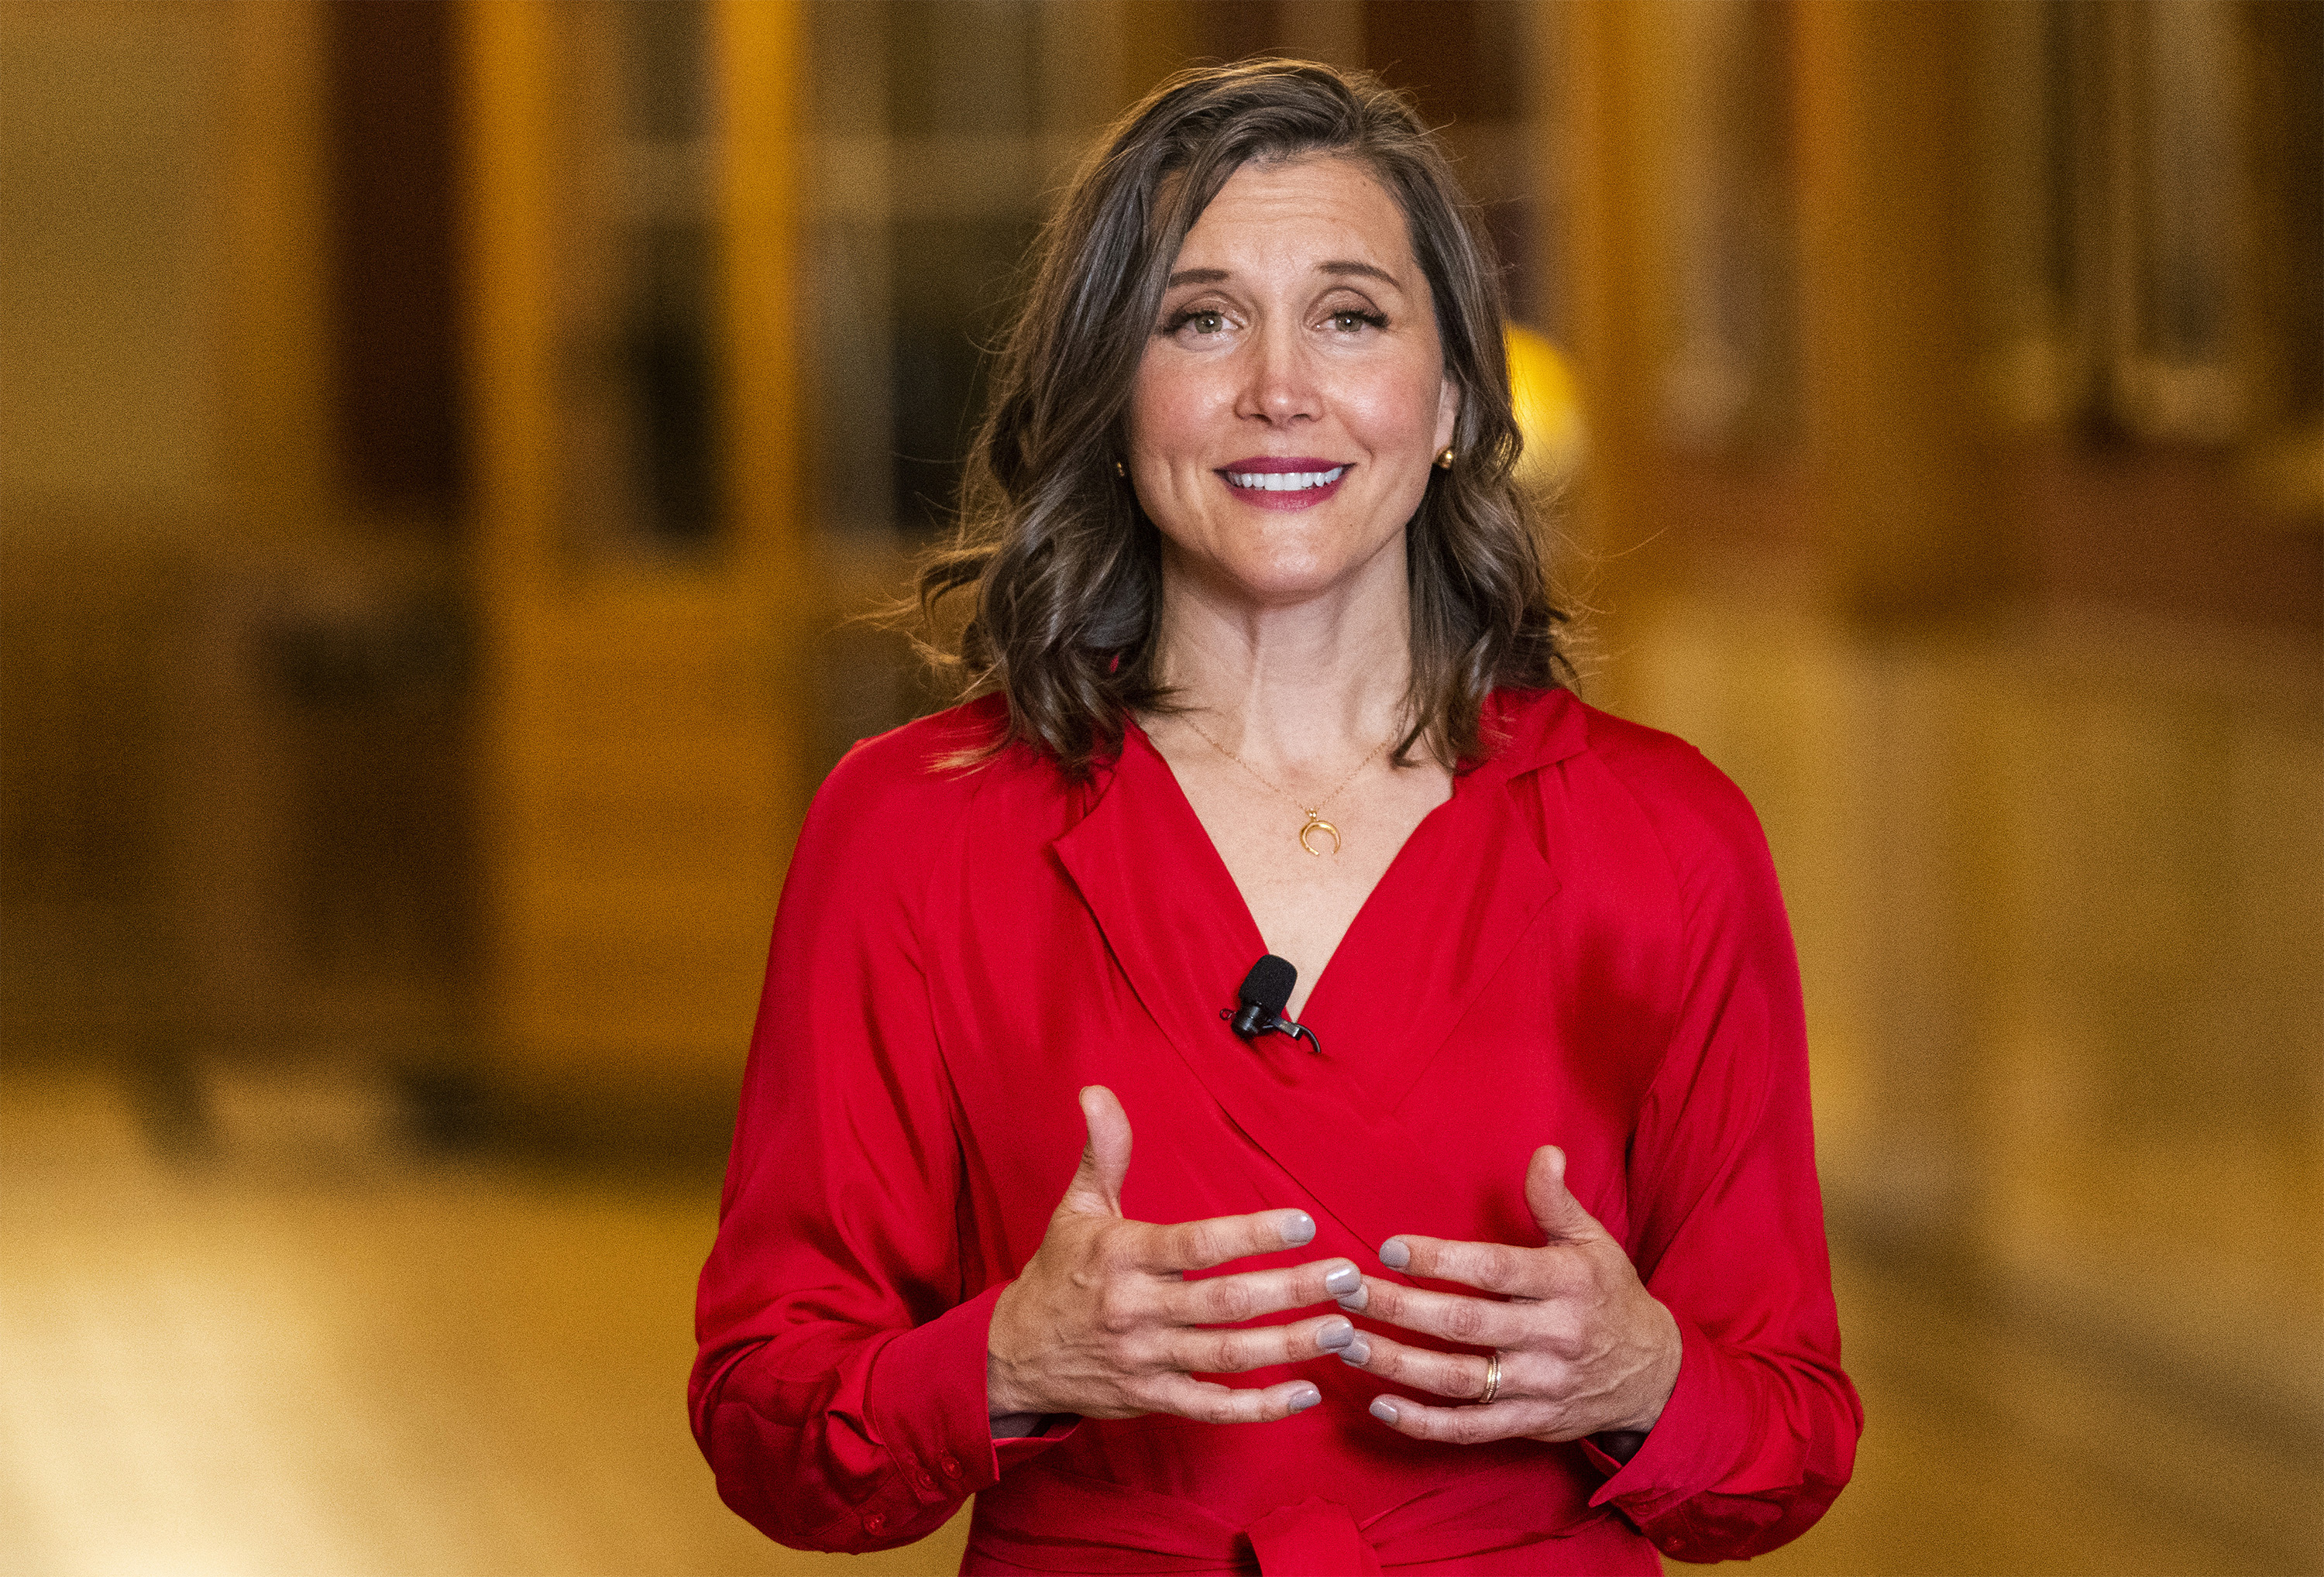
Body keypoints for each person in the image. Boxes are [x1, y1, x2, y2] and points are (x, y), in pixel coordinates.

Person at [691, 60, 1860, 1575]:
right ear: (1115, 393)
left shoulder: (1666, 841)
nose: (1279, 386)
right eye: (1202, 317)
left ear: (1449, 395)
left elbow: (1789, 1440)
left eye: (1352, 314)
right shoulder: (914, 832)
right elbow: (766, 1420)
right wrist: (1005, 1358)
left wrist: (1646, 1379)